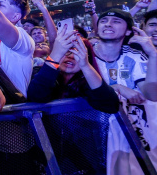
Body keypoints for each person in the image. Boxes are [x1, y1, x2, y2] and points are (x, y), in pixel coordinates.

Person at [91, 9, 157, 174]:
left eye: (116, 21)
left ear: (129, 31)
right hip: (90, 132)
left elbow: (152, 95)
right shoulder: (84, 53)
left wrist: (153, 54)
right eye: (104, 20)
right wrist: (116, 88)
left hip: (128, 137)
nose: (108, 24)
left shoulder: (135, 56)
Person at [27, 26, 119, 113]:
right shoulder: (39, 72)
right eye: (67, 52)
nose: (71, 56)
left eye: (77, 53)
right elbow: (36, 96)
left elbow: (110, 105)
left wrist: (86, 66)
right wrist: (55, 56)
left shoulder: (86, 84)